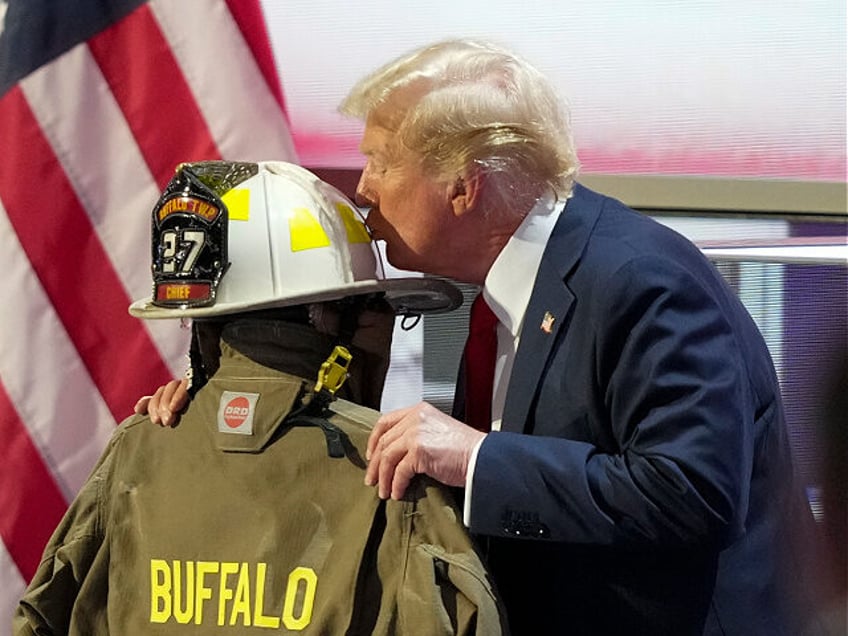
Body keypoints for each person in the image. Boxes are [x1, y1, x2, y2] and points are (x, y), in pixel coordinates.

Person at [141, 40, 817, 634]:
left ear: (464, 187)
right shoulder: (493, 287)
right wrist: (221, 394)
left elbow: (691, 494)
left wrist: (476, 458)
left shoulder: (640, 281)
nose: (364, 189)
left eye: (379, 162)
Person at [14, 160, 509, 635]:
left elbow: (44, 615)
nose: (385, 335)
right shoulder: (394, 476)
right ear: (330, 320)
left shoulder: (139, 450)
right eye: (376, 308)